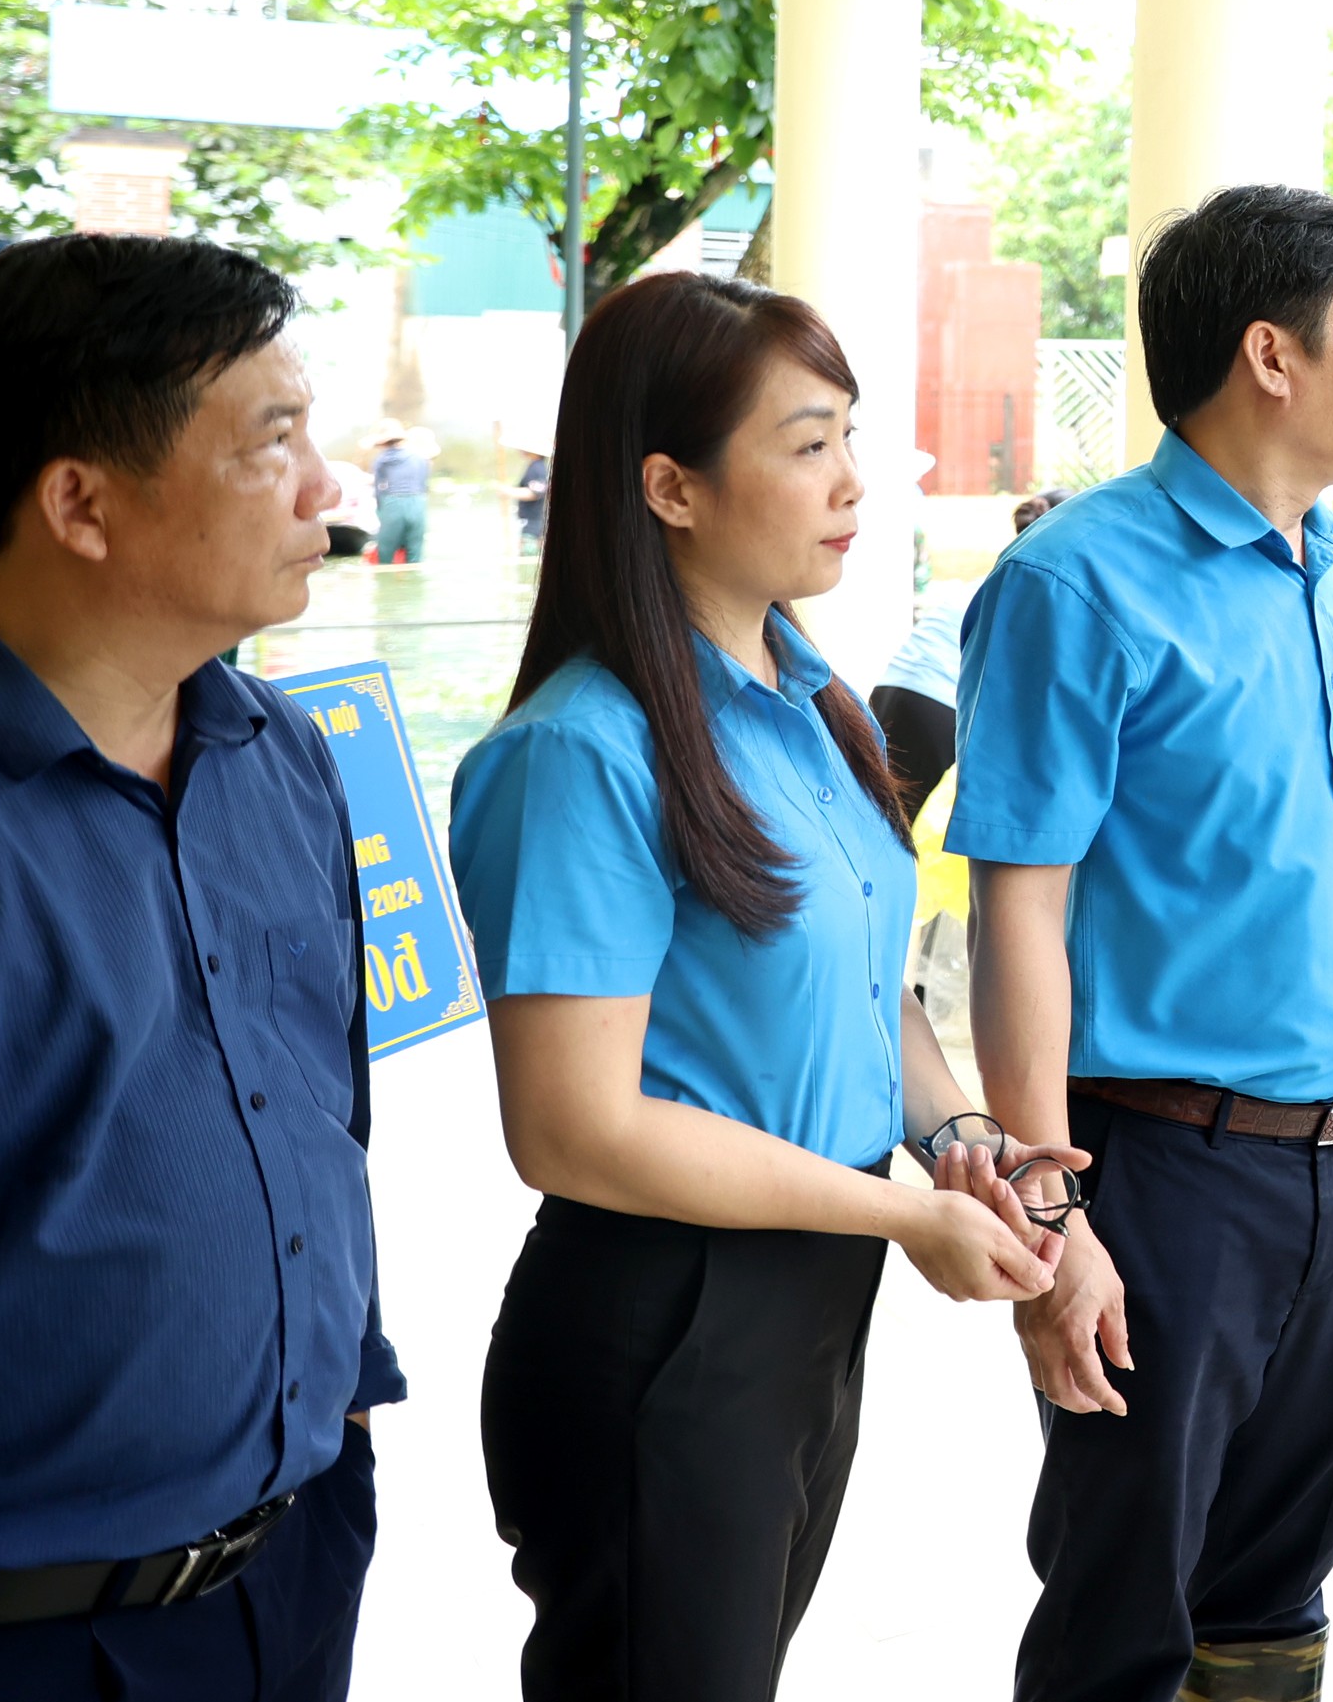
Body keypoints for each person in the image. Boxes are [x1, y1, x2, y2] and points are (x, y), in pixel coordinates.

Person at [452, 272, 1070, 1702]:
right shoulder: (583, 755)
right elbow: (574, 1128)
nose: (854, 482)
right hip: (664, 1318)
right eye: (807, 444)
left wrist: (959, 1141)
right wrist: (905, 1209)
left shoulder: (809, 698)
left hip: (806, 1295)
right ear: (669, 485)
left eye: (851, 435)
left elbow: (871, 991)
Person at [953, 185, 1333, 1702]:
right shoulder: (1077, 584)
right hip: (1164, 1176)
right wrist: (1052, 1215)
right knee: (1126, 1603)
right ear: (1272, 355)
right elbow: (1018, 915)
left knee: (1278, 1593)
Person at [0, 235, 401, 1701]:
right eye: (272, 442)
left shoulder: (282, 754)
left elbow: (325, 1120)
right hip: (15, 1639)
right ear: (81, 502)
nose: (329, 488)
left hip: (294, 1573)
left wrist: (343, 1432)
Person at [874, 489, 1058, 823]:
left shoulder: (996, 575)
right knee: (891, 824)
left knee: (876, 810)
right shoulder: (1033, 591)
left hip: (891, 686)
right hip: (937, 700)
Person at [364, 421, 428, 567]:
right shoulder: (419, 458)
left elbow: (379, 488)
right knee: (415, 552)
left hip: (392, 502)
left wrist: (380, 510)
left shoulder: (381, 460)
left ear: (382, 443)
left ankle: (384, 584)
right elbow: (424, 485)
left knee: (385, 551)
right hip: (418, 502)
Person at [509, 433, 551, 554]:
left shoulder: (537, 468)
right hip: (529, 521)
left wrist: (508, 491)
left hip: (533, 522)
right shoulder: (533, 466)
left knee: (529, 554)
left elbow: (535, 493)